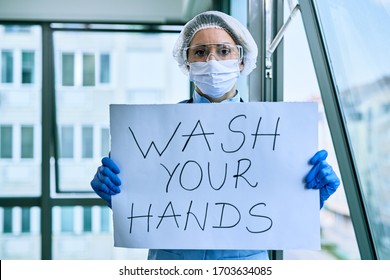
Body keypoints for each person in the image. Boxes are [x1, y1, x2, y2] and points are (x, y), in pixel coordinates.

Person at [91, 11, 340, 260]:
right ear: (187, 63)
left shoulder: (275, 133)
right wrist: (116, 191)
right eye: (200, 52)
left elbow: (279, 214)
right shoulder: (152, 134)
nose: (212, 60)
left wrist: (310, 197)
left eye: (223, 51)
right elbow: (145, 207)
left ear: (241, 60)